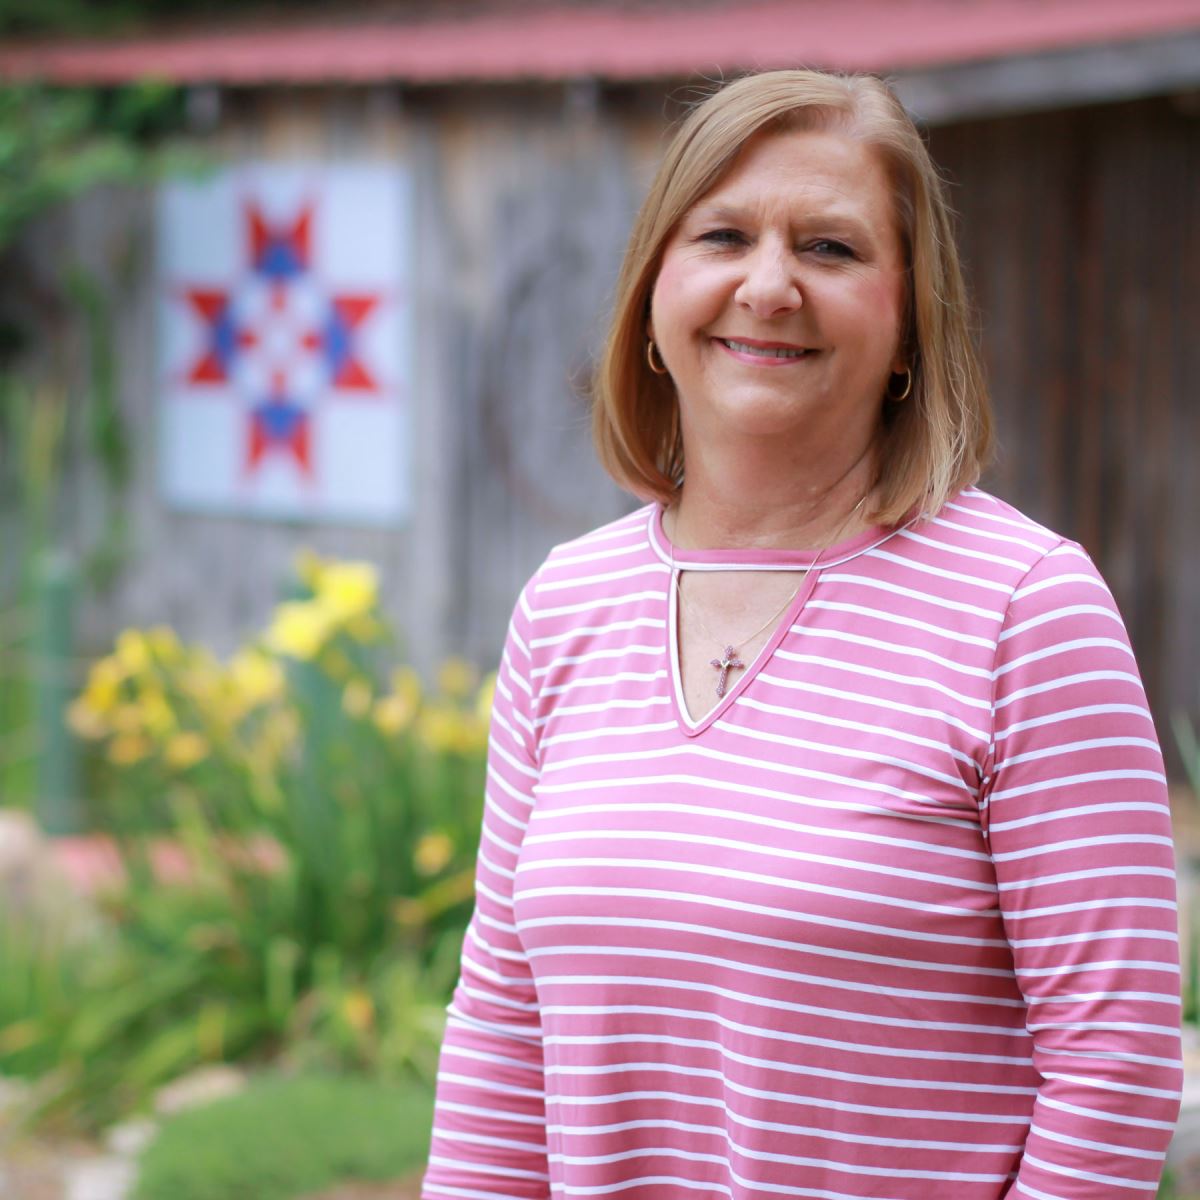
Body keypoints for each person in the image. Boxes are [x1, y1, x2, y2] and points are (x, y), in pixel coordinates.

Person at [421, 69, 1183, 1200]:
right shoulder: (567, 605)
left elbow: (1112, 1060)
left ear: (911, 317)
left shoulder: (1024, 609)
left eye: (829, 248)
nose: (768, 286)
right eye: (724, 235)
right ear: (652, 297)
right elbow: (502, 1016)